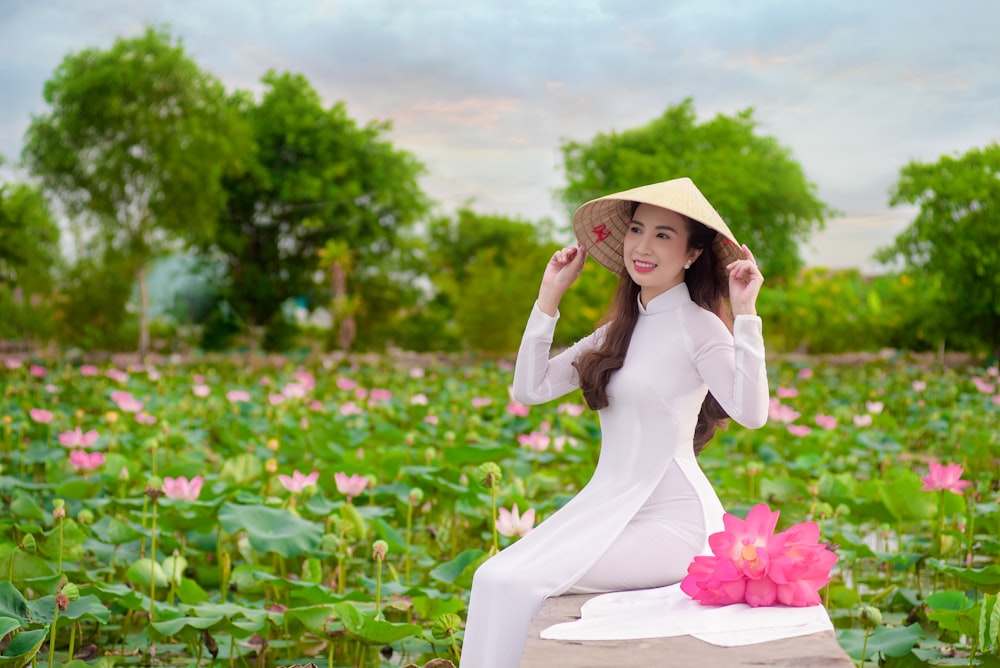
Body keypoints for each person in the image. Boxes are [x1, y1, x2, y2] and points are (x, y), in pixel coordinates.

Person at [460, 177, 769, 667]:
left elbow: (750, 413)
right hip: (610, 507)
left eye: (664, 235)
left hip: (674, 523)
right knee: (492, 577)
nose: (643, 247)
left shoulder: (699, 326)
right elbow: (530, 388)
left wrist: (746, 313)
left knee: (513, 580)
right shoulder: (619, 330)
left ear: (691, 254)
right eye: (637, 230)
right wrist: (548, 298)